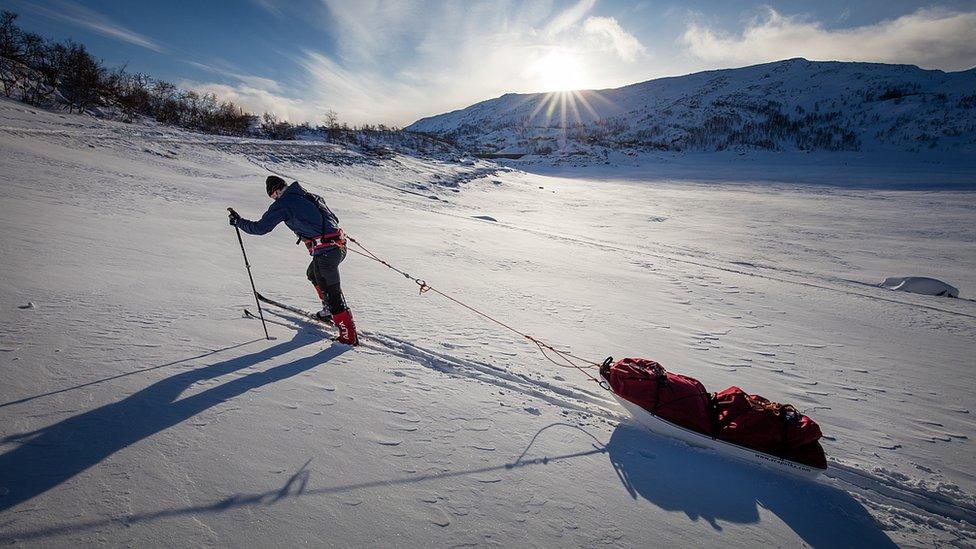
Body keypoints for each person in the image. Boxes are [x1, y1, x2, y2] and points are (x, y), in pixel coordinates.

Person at [229, 175, 358, 345]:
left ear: (275, 191)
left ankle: (348, 337)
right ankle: (328, 310)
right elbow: (334, 219)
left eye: (272, 196)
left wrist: (239, 222)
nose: (274, 199)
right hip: (339, 247)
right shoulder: (311, 196)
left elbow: (261, 228)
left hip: (326, 252)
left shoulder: (283, 204)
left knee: (332, 291)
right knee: (312, 273)